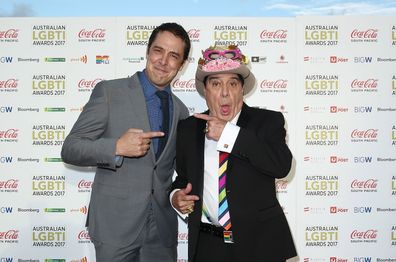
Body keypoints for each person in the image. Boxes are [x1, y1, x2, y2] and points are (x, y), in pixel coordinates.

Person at [61, 22, 191, 262]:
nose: (163, 61)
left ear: (182, 65)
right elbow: (71, 148)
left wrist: (178, 195)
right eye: (158, 50)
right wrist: (116, 147)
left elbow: (172, 172)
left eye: (174, 56)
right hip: (115, 226)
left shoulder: (182, 112)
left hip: (161, 233)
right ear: (147, 51)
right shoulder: (110, 92)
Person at [171, 45, 297, 262]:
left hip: (260, 246)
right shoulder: (188, 129)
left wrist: (229, 134)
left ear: (242, 89)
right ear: (205, 90)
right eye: (216, 84)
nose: (225, 92)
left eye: (232, 83)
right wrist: (176, 197)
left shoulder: (268, 122)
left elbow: (282, 166)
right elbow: (182, 179)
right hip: (208, 245)